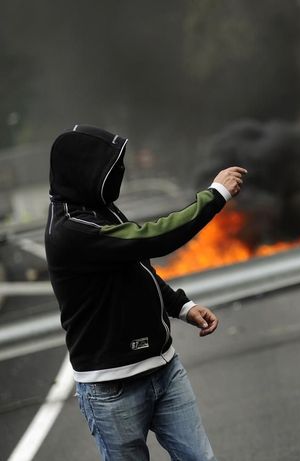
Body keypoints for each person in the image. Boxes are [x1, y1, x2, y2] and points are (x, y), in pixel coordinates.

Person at [45, 125, 246, 460]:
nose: (117, 175)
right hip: (112, 388)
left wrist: (181, 306)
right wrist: (215, 194)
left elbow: (137, 264)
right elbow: (153, 238)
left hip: (165, 369)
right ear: (83, 170)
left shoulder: (96, 207)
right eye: (109, 168)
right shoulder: (71, 231)